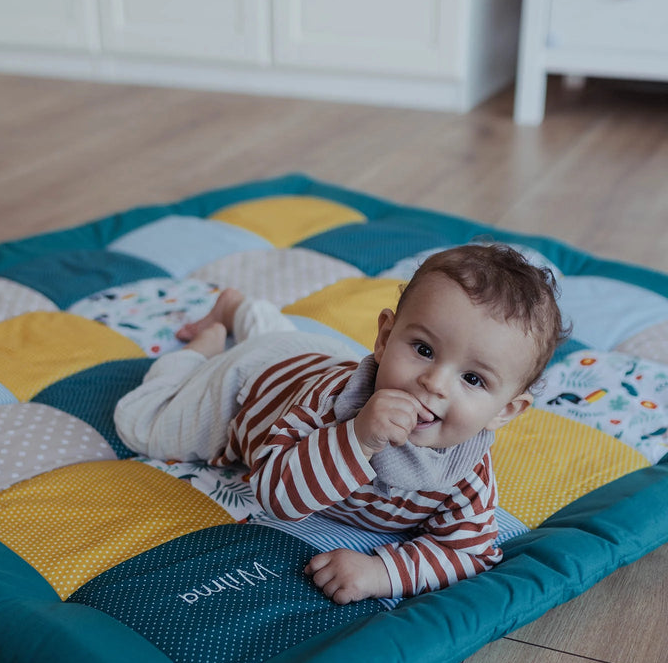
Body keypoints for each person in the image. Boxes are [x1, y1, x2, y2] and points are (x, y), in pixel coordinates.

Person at [114, 244, 568, 604]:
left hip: (307, 350)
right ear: (386, 337)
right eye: (424, 350)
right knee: (139, 425)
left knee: (282, 337)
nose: (434, 383)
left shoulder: (467, 472)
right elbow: (277, 495)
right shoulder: (332, 402)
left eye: (472, 379)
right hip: (255, 382)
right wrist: (355, 439)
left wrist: (380, 573)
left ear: (506, 411)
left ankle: (241, 310)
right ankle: (205, 345)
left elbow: (467, 553)